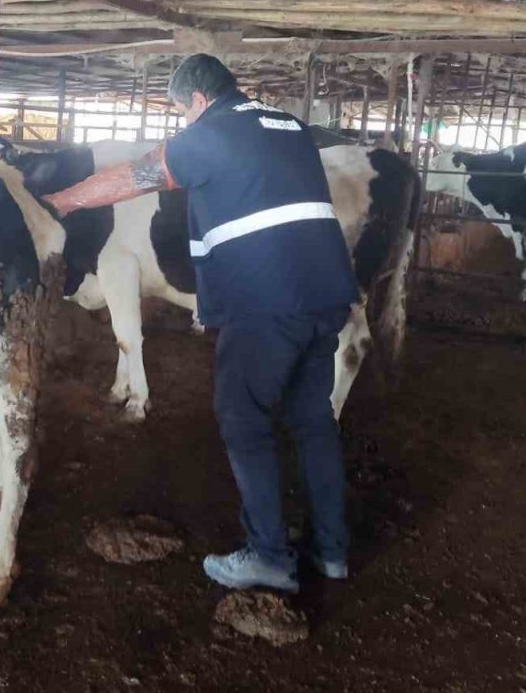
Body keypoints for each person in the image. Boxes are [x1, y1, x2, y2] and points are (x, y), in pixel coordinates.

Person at [43, 54, 358, 592]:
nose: (183, 122)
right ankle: (331, 552)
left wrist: (59, 201)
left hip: (266, 300)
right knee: (312, 420)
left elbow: (137, 176)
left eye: (181, 112)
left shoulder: (213, 131)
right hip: (325, 293)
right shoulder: (289, 126)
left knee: (243, 418)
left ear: (196, 100)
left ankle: (268, 555)